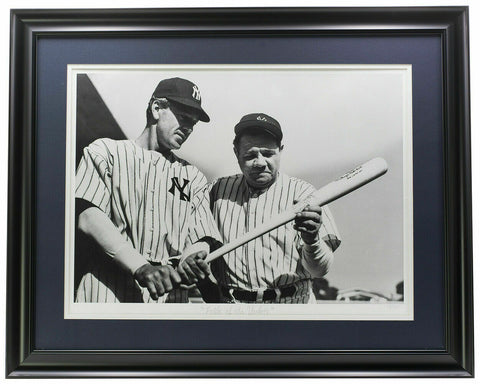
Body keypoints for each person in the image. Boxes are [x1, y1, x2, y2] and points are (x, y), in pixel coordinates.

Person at [75, 77, 222, 303]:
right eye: (183, 117)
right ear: (156, 108)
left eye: (193, 123)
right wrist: (141, 267)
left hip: (170, 295)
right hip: (107, 290)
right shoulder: (105, 152)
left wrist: (193, 257)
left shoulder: (193, 176)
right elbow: (88, 216)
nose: (189, 128)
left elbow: (202, 236)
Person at [208, 113, 341, 304]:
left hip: (292, 305)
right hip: (232, 307)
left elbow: (320, 270)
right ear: (236, 153)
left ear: (281, 150)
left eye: (268, 154)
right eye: (250, 155)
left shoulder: (304, 193)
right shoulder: (216, 190)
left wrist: (311, 240)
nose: (260, 163)